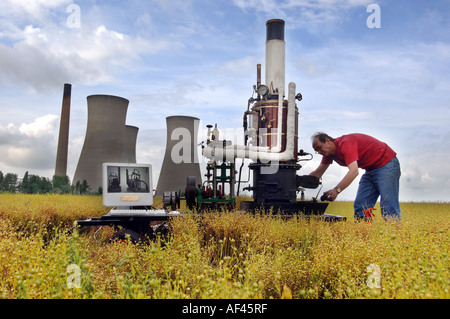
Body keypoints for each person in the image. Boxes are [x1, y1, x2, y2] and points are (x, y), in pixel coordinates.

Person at [309, 132, 401, 221]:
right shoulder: (328, 154)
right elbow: (318, 173)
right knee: (361, 206)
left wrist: (337, 190)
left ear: (327, 140)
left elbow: (354, 171)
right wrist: (298, 180)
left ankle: (394, 233)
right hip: (370, 169)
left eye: (319, 148)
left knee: (388, 205)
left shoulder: (345, 144)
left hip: (386, 163)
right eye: (317, 152)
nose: (319, 152)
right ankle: (364, 233)